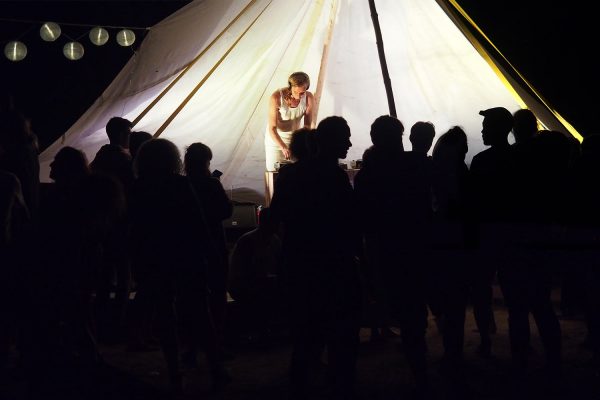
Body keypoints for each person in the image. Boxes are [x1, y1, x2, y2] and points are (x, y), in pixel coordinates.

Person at [265, 71, 315, 171]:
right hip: (276, 142)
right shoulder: (276, 98)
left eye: (302, 93)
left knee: (297, 174)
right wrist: (283, 147)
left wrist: (304, 143)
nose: (299, 96)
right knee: (275, 173)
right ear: (290, 87)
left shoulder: (309, 97)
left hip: (295, 141)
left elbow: (307, 126)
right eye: (296, 92)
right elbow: (272, 128)